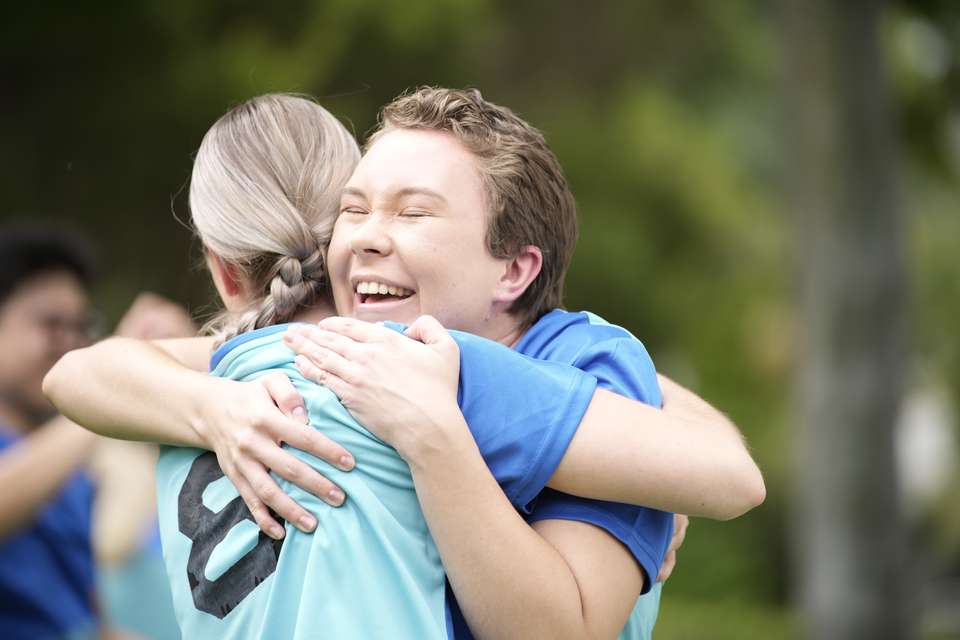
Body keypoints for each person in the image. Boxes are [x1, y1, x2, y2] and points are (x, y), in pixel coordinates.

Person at [44, 92, 764, 639]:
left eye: (412, 213)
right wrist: (217, 410)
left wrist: (444, 434)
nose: (368, 239)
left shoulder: (541, 364)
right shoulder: (344, 358)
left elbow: (725, 478)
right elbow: (85, 374)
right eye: (353, 211)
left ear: (513, 272)